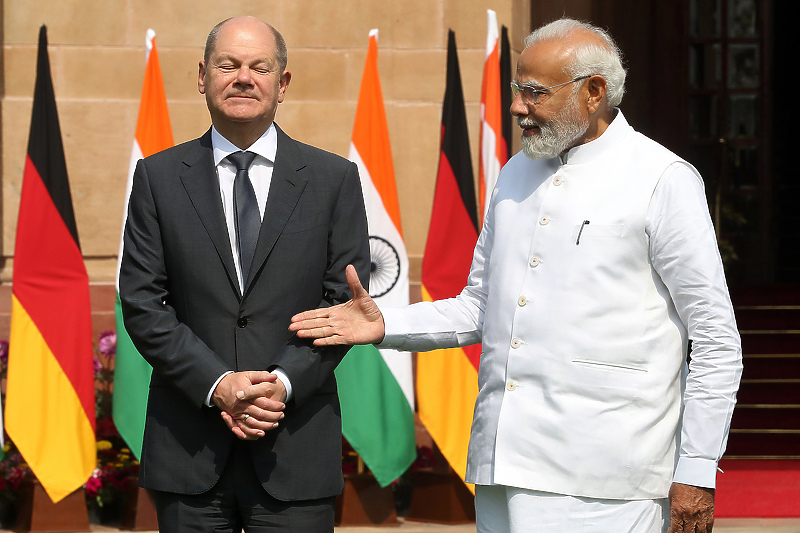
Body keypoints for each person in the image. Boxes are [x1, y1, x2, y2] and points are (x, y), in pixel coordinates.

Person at [289, 17, 742, 533]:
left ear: (594, 92)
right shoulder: (514, 172)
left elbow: (715, 339)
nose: (517, 107)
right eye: (515, 90)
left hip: (608, 480)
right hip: (502, 466)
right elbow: (481, 306)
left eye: (534, 92)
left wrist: (698, 468)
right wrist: (383, 326)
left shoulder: (662, 179)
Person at [119, 16, 370, 532]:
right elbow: (143, 302)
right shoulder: (158, 178)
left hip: (294, 447)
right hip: (189, 451)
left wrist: (279, 384)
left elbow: (343, 306)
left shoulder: (333, 180)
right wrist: (217, 384)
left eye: (260, 67)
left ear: (283, 84)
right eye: (227, 65)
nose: (242, 78)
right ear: (201, 76)